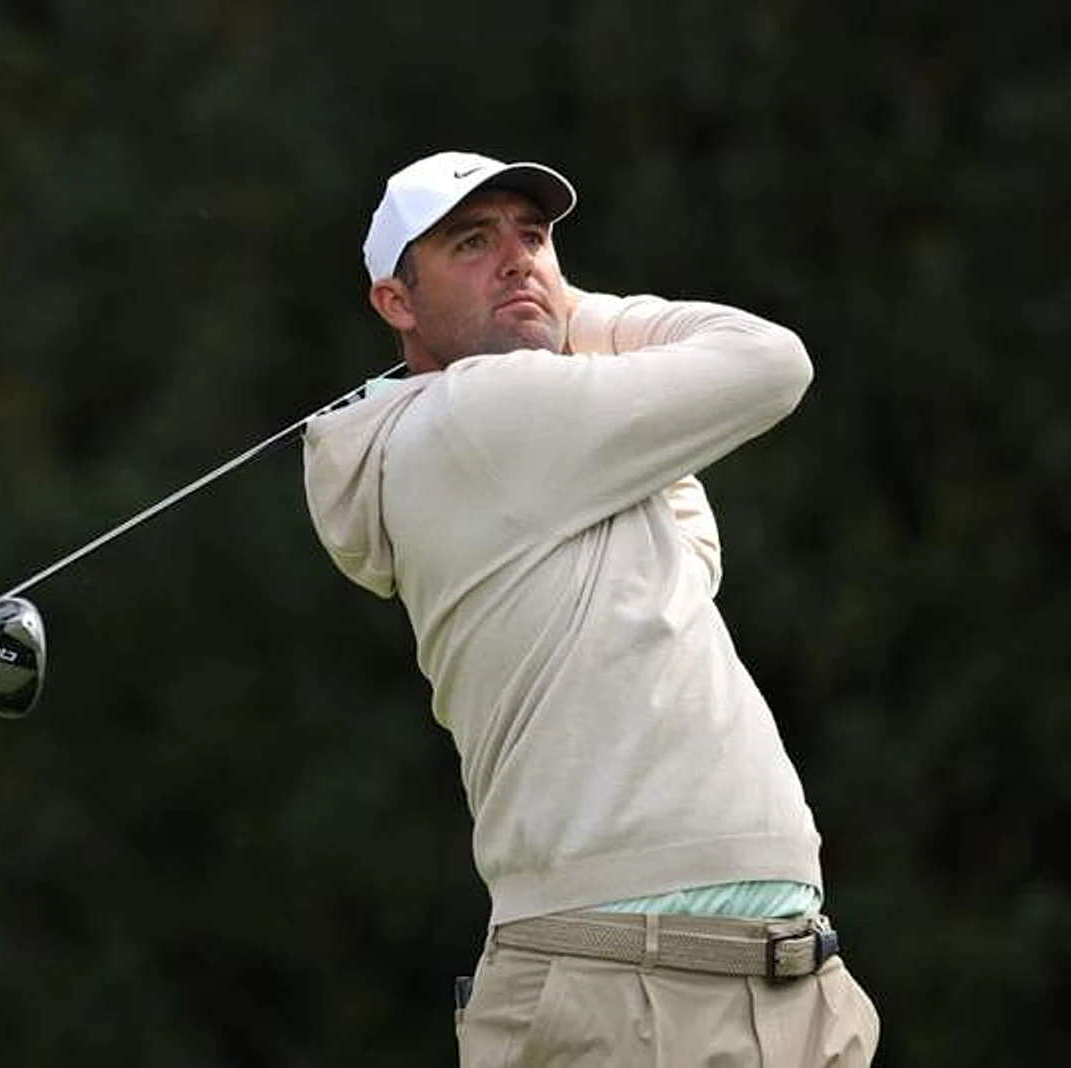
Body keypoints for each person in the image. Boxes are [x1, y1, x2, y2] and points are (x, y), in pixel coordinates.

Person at [302, 150, 880, 1067]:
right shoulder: (481, 412)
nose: (518, 261)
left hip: (777, 983)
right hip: (622, 988)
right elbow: (771, 360)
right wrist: (580, 313)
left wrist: (550, 326)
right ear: (396, 303)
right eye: (472, 243)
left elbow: (692, 561)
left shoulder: (546, 442)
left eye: (534, 238)